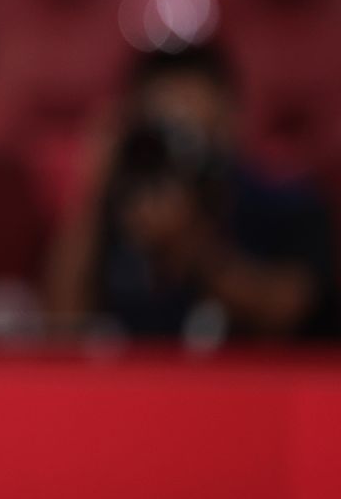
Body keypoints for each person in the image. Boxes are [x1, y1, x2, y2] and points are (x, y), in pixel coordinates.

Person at [45, 43, 338, 343]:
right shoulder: (125, 207)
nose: (179, 152)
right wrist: (94, 189)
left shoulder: (287, 203)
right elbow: (62, 324)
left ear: (230, 120)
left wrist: (193, 253)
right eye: (165, 133)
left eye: (192, 135)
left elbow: (295, 314)